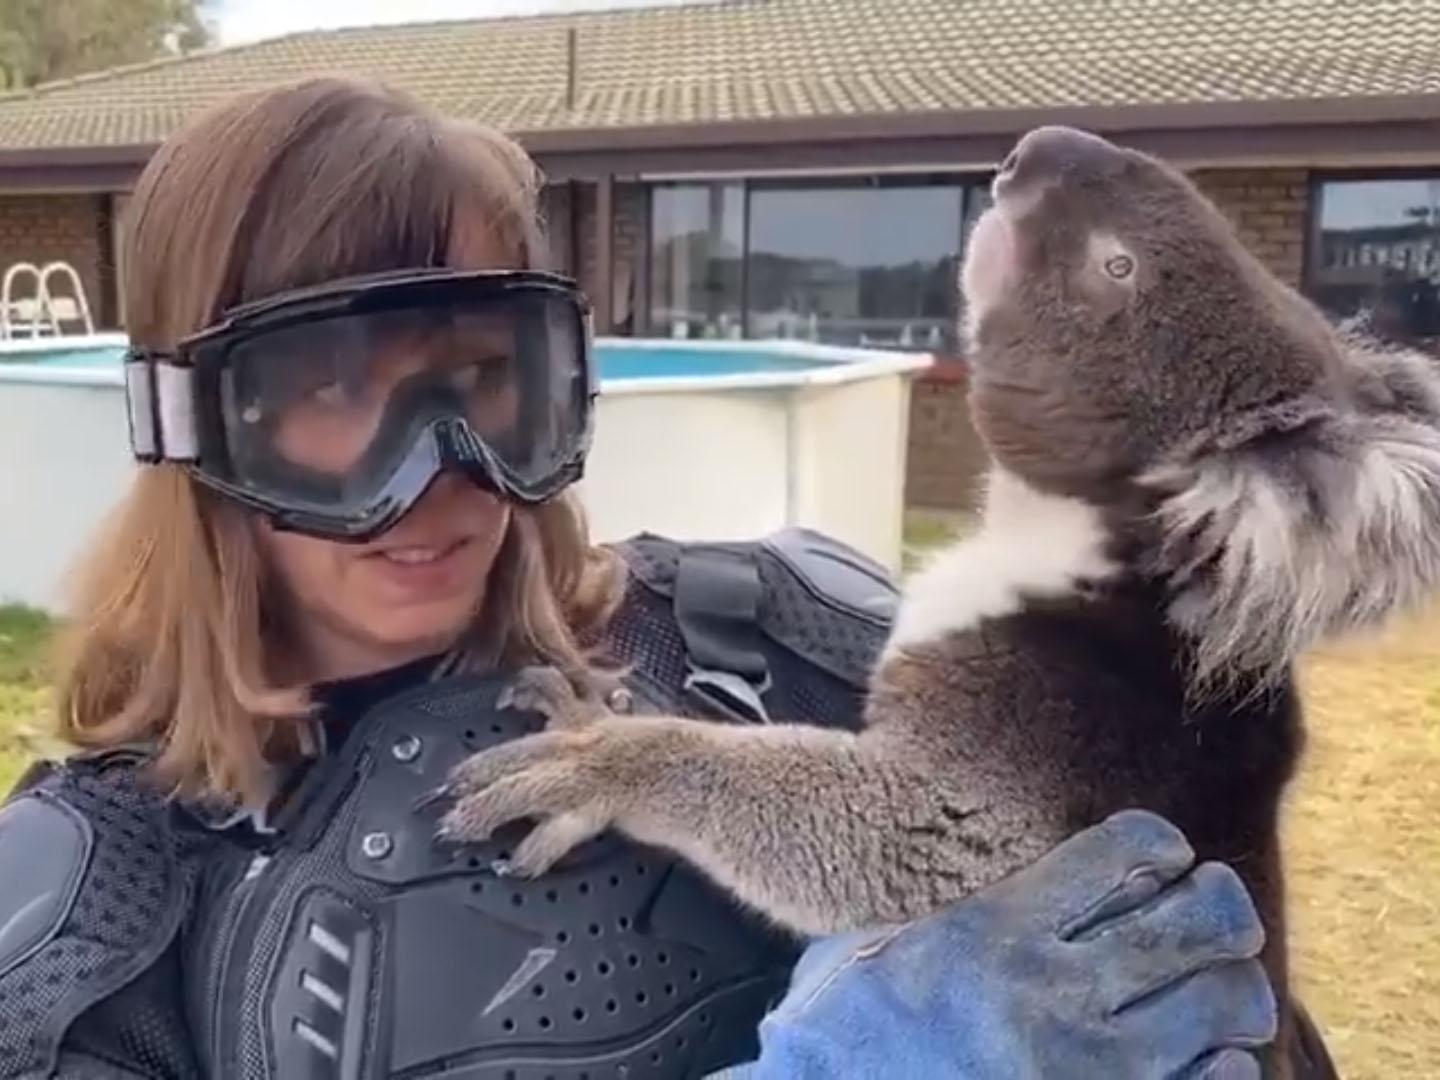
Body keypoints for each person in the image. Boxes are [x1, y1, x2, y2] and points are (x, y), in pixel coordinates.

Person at [0, 75, 1317, 1079]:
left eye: (483, 377)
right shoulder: (96, 925)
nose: (445, 471)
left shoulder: (794, 640)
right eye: (335, 389)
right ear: (195, 426)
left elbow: (1236, 992)